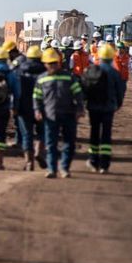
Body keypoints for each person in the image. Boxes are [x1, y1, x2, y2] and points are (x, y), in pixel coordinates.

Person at [34, 47, 85, 178]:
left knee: (69, 143)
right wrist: (37, 110)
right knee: (51, 144)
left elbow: (78, 94)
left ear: (59, 62)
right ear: (45, 64)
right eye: (49, 63)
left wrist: (80, 109)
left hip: (69, 114)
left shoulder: (69, 77)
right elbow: (37, 97)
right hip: (50, 116)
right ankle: (52, 169)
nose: (52, 66)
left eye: (54, 63)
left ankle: (65, 168)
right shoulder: (41, 79)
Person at [83, 43, 125, 174]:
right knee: (106, 135)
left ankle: (93, 161)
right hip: (108, 108)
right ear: (112, 57)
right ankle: (104, 165)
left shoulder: (92, 69)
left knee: (94, 133)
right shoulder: (115, 73)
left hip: (93, 108)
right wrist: (117, 104)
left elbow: (85, 88)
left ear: (99, 56)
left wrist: (85, 103)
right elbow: (121, 90)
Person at [8, 46, 44, 170]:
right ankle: (39, 152)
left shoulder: (19, 70)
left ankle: (29, 162)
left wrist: (14, 106)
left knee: (27, 135)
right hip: (41, 107)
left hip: (24, 107)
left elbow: (15, 91)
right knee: (41, 133)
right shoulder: (46, 70)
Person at [115, 41, 131, 105]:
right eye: (118, 48)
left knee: (123, 89)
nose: (119, 49)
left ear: (123, 49)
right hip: (116, 77)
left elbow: (130, 66)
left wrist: (126, 65)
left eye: (121, 48)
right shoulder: (113, 56)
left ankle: (120, 99)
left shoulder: (127, 57)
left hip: (124, 76)